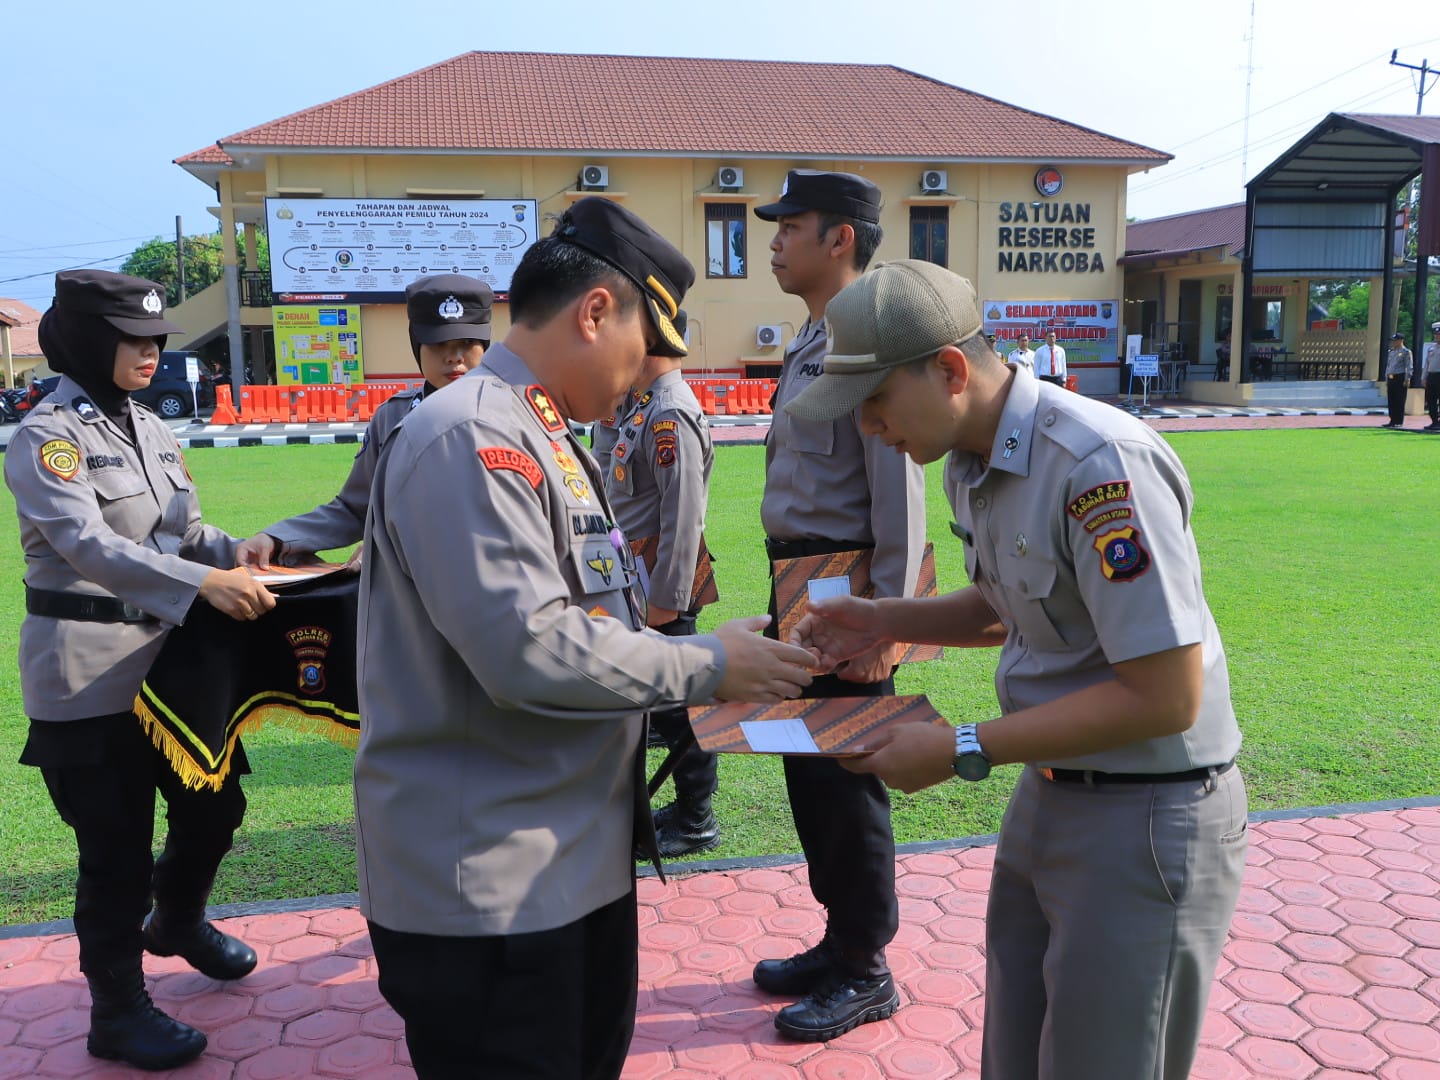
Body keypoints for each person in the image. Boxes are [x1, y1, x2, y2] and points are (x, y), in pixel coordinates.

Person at [353, 197, 816, 1080]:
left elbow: (599, 615)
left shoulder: (541, 429)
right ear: (596, 313)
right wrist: (711, 663)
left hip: (567, 858)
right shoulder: (472, 434)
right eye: (645, 352)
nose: (644, 377)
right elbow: (528, 647)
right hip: (491, 883)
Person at [786, 259, 1248, 1080]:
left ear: (951, 370)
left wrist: (965, 745)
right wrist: (881, 620)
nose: (867, 430)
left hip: (1145, 813)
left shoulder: (1096, 462)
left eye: (875, 403)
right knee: (1017, 1058)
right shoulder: (971, 457)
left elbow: (1167, 693)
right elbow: (1009, 606)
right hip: (1055, 793)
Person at [4, 270, 277, 1071]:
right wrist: (206, 584)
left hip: (171, 671)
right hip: (87, 674)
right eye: (133, 339)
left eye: (157, 339)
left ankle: (180, 920)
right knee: (114, 852)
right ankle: (116, 1012)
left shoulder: (149, 427)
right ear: (88, 339)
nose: (151, 353)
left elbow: (184, 532)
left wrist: (251, 554)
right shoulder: (45, 435)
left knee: (216, 808)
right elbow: (88, 545)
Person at [750, 169, 927, 1041]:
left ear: (840, 238)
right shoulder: (813, 336)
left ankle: (866, 968)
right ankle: (839, 940)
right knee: (809, 771)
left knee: (850, 778)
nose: (774, 239)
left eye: (791, 225)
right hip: (799, 583)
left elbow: (898, 486)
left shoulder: (870, 335)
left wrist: (887, 621)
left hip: (847, 590)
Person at [236, 274, 493, 569]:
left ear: (485, 346)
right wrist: (278, 537)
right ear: (416, 346)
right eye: (438, 344)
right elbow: (354, 508)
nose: (454, 357)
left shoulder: (514, 416)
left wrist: (389, 544)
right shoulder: (393, 417)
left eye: (467, 343)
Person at [603, 310, 722, 857]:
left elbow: (683, 519)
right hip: (639, 575)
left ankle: (697, 816)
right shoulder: (645, 405)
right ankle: (683, 806)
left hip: (661, 584)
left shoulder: (670, 412)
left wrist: (665, 602)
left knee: (682, 708)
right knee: (663, 703)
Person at [1383, 331, 1412, 428]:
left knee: (1399, 400)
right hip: (1391, 377)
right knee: (1391, 400)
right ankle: (1392, 419)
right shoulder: (1391, 352)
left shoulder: (1406, 352)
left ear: (1401, 340)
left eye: (1395, 341)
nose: (1393, 343)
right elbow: (1388, 366)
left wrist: (1407, 378)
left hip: (1400, 377)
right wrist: (1386, 378)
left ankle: (1398, 421)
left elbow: (1409, 366)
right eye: (1393, 341)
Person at [1423, 323, 1440, 433]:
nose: (1437, 336)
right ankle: (1434, 421)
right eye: (1436, 334)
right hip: (1432, 376)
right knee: (1430, 400)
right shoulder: (1431, 348)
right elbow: (1427, 364)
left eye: (1439, 334)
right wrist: (1424, 377)